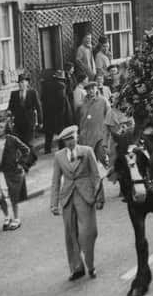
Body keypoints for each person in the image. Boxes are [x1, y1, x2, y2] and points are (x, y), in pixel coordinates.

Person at [50, 125, 104, 280]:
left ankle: (90, 265)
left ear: (77, 137)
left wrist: (100, 197)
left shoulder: (87, 152)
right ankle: (77, 268)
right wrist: (54, 203)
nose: (69, 143)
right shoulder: (59, 156)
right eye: (66, 140)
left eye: (71, 139)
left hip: (85, 196)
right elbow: (55, 181)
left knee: (88, 233)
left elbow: (96, 176)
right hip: (67, 198)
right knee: (70, 234)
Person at [7, 73, 42, 166]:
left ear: (27, 83)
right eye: (19, 83)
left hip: (30, 122)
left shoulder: (32, 92)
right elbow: (11, 107)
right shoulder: (14, 94)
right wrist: (9, 112)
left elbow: (38, 107)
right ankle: (31, 157)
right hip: (18, 122)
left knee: (28, 141)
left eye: (22, 82)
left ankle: (29, 160)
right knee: (22, 142)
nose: (20, 84)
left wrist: (40, 121)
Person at [42, 70, 74, 154]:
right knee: (61, 132)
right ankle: (61, 149)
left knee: (49, 132)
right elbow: (62, 99)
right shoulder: (61, 85)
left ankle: (47, 149)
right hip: (59, 113)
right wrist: (63, 113)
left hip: (48, 112)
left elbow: (42, 99)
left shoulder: (45, 85)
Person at [78, 81, 111, 161]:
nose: (91, 91)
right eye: (89, 89)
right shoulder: (84, 102)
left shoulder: (103, 101)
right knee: (89, 160)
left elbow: (109, 116)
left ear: (96, 89)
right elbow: (81, 118)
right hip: (86, 136)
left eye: (93, 88)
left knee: (103, 157)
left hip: (100, 133)